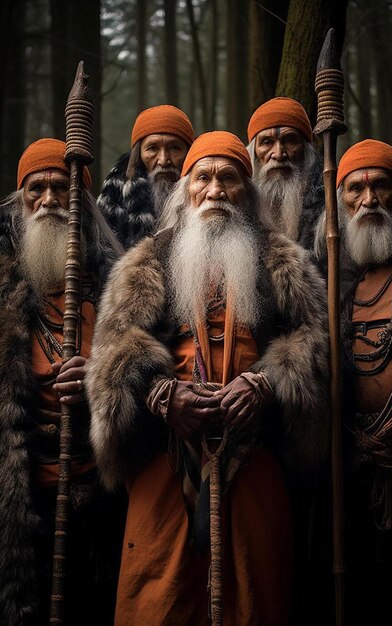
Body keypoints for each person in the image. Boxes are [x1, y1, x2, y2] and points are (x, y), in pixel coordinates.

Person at [87, 130, 330, 626]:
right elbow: (112, 350)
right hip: (165, 458)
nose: (215, 190)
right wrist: (158, 393)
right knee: (157, 596)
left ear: (247, 190)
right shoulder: (146, 262)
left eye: (228, 179)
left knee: (256, 597)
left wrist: (267, 382)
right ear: (187, 189)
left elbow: (316, 343)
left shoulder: (283, 261)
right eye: (203, 178)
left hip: (254, 457)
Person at [0, 138, 125, 626]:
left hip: (98, 496)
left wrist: (101, 378)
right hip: (21, 501)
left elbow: (146, 377)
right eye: (38, 189)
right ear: (21, 200)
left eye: (62, 189)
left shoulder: (114, 285)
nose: (50, 199)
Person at [314, 138, 392, 626]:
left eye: (381, 187)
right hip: (354, 467)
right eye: (355, 189)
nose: (369, 200)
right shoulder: (338, 289)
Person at [98, 104, 194, 248]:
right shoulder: (114, 197)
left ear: (189, 153)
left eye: (174, 148)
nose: (163, 160)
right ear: (139, 155)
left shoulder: (208, 193)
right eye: (152, 148)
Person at [247, 96, 324, 249]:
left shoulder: (328, 206)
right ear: (254, 153)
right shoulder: (240, 204)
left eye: (289, 141)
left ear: (305, 151)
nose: (278, 154)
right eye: (267, 142)